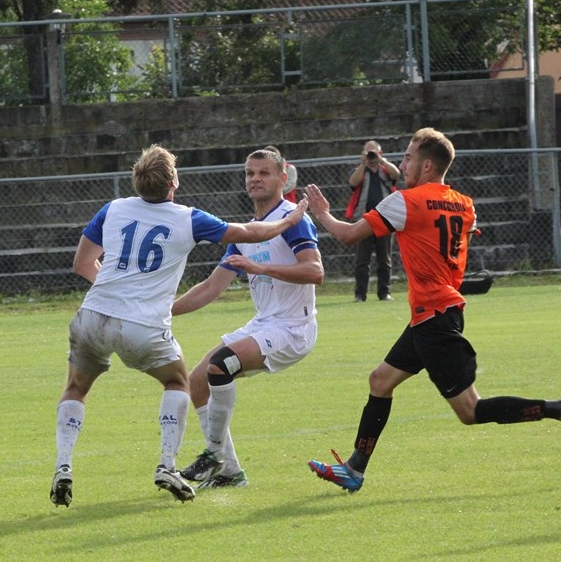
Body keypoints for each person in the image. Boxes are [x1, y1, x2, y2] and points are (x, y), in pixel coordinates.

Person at [303, 128, 561, 493]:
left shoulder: (404, 201)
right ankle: (355, 468)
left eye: (407, 157)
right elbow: (456, 243)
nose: (402, 164)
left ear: (425, 165)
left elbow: (348, 235)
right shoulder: (464, 204)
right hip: (437, 312)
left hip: (434, 318)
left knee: (470, 411)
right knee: (380, 381)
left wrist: (323, 214)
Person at [51, 145, 309, 506]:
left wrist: (118, 295)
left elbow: (82, 264)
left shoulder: (112, 209)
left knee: (75, 388)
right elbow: (250, 234)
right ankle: (168, 466)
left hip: (92, 314)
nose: (255, 179)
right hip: (141, 323)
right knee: (178, 382)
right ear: (174, 181)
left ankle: (63, 465)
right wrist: (290, 219)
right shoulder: (188, 218)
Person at [172, 148, 324, 489]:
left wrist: (259, 267)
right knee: (196, 382)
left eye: (264, 173)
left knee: (221, 365)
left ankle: (212, 455)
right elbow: (211, 287)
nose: (255, 178)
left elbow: (315, 271)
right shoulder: (249, 231)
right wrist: (164, 310)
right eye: (250, 173)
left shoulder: (293, 218)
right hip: (265, 323)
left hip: (293, 328)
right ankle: (231, 472)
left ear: (283, 179)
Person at [345, 140, 400, 302]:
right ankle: (360, 294)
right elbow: (353, 183)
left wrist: (381, 160)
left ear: (381, 153)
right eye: (367, 152)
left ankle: (384, 292)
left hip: (385, 219)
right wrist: (363, 164)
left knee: (385, 259)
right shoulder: (360, 171)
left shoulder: (385, 170)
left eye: (373, 152)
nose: (371, 155)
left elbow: (397, 174)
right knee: (362, 259)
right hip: (364, 220)